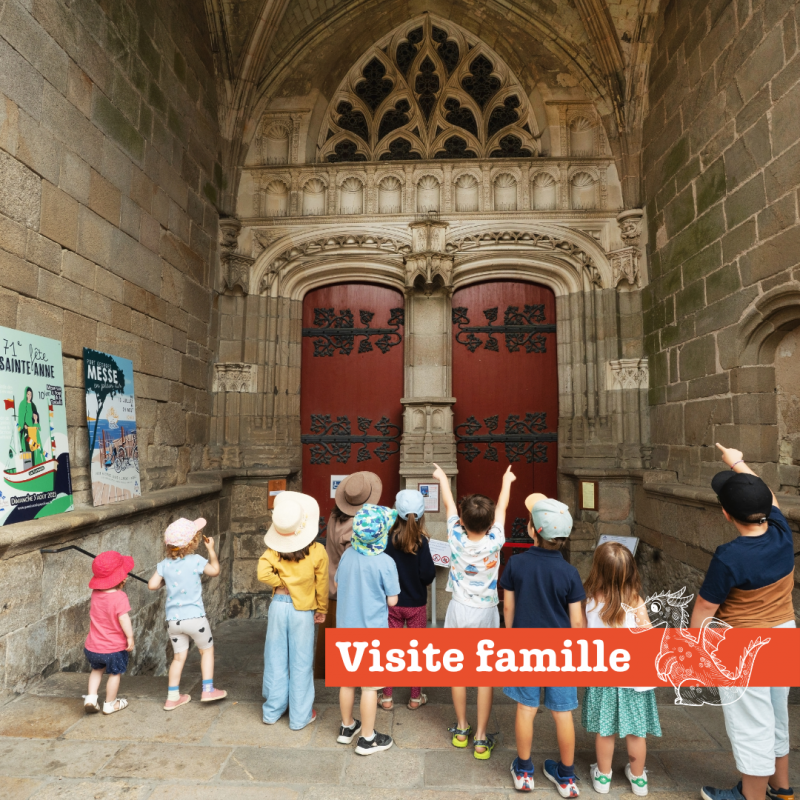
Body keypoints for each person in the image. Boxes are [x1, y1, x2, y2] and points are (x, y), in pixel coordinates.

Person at [694, 444, 795, 800]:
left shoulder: (729, 557)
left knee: (752, 722)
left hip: (744, 647)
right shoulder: (782, 534)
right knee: (776, 711)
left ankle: (750, 796)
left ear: (725, 515)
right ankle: (780, 789)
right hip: (783, 636)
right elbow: (769, 497)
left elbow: (706, 607)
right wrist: (737, 463)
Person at [500, 492, 584, 794]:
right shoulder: (570, 573)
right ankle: (567, 776)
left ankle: (524, 771)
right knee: (563, 712)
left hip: (525, 647)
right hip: (560, 651)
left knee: (526, 708)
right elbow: (576, 622)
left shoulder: (516, 565)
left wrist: (510, 634)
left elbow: (508, 607)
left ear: (532, 530)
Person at [433, 461, 514, 760]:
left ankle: (461, 727)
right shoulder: (496, 540)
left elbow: (448, 504)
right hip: (486, 612)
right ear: (490, 522)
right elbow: (503, 508)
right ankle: (481, 737)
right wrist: (506, 481)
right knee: (484, 674)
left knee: (458, 670)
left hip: (458, 610)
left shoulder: (455, 537)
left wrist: (442, 478)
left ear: (463, 522)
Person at [581, 542, 661, 796]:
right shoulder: (635, 600)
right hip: (634, 678)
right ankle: (638, 780)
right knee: (636, 732)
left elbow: (583, 634)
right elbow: (647, 634)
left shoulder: (590, 600)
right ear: (630, 572)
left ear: (598, 571)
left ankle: (603, 777)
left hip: (604, 674)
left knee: (606, 731)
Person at [258, 491, 328, 729]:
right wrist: (322, 609)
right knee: (301, 661)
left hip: (279, 606)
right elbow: (322, 584)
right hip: (303, 610)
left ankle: (272, 711)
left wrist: (281, 583)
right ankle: (300, 716)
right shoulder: (318, 550)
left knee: (275, 658)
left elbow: (262, 573)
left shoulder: (274, 551)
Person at [335, 503, 400, 755]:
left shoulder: (347, 554)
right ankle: (368, 738)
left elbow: (338, 583)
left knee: (347, 681)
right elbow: (392, 600)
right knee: (370, 687)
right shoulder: (385, 562)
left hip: (345, 629)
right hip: (372, 631)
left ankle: (347, 726)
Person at [148, 517, 227, 710]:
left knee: (178, 658)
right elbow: (215, 570)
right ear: (192, 543)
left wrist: (164, 581)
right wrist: (211, 550)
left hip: (174, 622)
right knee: (206, 651)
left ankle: (173, 697)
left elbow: (152, 585)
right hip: (195, 619)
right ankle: (207, 689)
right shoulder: (195, 561)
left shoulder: (164, 565)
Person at [314, 471, 381, 680]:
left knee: (328, 634)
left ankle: (325, 672)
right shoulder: (359, 525)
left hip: (330, 583)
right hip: (350, 587)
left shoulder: (335, 516)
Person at [380, 488, 436, 710]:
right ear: (421, 515)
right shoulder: (422, 542)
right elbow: (428, 575)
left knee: (390, 650)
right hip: (416, 605)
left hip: (392, 604)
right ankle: (415, 697)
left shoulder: (386, 541)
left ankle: (386, 697)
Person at [83, 550, 135, 715]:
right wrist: (130, 637)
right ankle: (110, 704)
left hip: (93, 647)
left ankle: (91, 698)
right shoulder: (120, 597)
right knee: (114, 674)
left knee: (96, 670)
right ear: (121, 577)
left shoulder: (95, 594)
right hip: (114, 648)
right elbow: (124, 620)